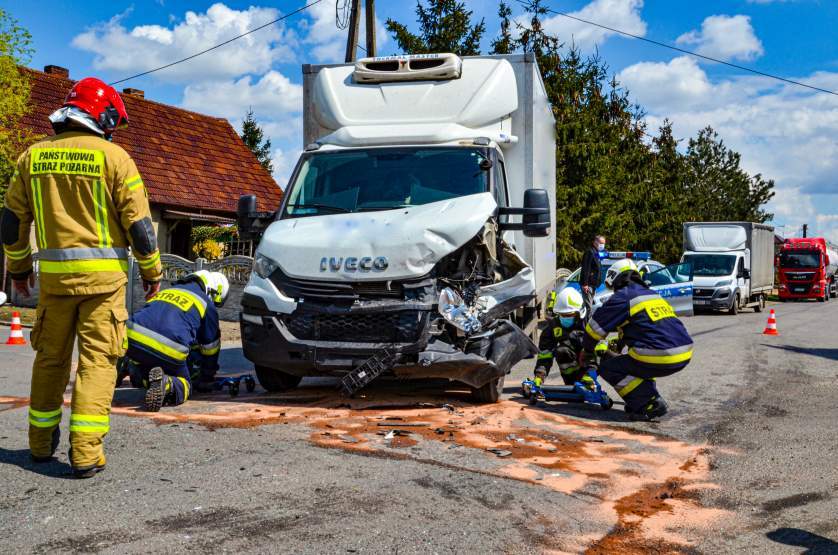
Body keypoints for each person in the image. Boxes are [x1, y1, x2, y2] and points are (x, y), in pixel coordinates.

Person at [1, 77, 162, 477]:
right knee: (97, 363)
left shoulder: (32, 157)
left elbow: (11, 224)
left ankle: (39, 444)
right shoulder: (114, 158)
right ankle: (86, 454)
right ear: (103, 117)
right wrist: (152, 272)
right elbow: (141, 227)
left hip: (54, 285)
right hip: (104, 286)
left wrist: (18, 270)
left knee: (49, 361)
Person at [581, 259, 693, 421]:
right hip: (684, 351)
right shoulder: (651, 294)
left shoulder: (623, 296)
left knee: (608, 367)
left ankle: (648, 403)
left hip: (660, 353)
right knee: (637, 362)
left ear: (616, 279)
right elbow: (642, 327)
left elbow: (594, 329)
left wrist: (587, 351)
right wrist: (619, 345)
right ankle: (640, 399)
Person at [123, 270, 227, 412]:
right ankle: (167, 384)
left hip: (131, 338)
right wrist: (206, 377)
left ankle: (130, 367)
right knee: (186, 385)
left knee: (147, 367)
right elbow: (210, 347)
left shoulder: (168, 291)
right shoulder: (205, 302)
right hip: (170, 347)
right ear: (214, 292)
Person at [533, 288, 595, 389]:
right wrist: (539, 376)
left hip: (588, 360)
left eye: (569, 315)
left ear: (579, 313)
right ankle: (572, 382)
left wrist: (590, 373)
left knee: (601, 349)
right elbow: (545, 355)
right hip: (572, 362)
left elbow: (598, 346)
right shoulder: (552, 327)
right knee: (562, 351)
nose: (565, 318)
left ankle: (590, 378)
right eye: (562, 315)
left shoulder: (589, 323)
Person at [580, 235, 606, 314]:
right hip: (588, 285)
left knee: (589, 305)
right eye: (601, 243)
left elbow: (605, 254)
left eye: (604, 244)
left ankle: (586, 322)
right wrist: (585, 284)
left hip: (593, 285)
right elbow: (586, 268)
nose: (603, 246)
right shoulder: (590, 252)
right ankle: (586, 325)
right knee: (588, 307)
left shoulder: (596, 252)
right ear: (595, 242)